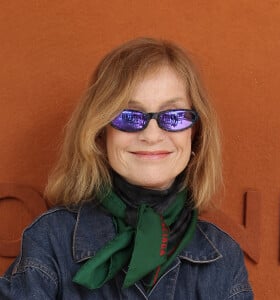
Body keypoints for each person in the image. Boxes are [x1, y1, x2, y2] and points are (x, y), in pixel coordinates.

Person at [0, 37, 253, 299]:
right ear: (99, 133)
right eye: (129, 116)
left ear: (195, 134)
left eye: (173, 116)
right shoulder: (51, 240)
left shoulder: (223, 258)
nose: (152, 135)